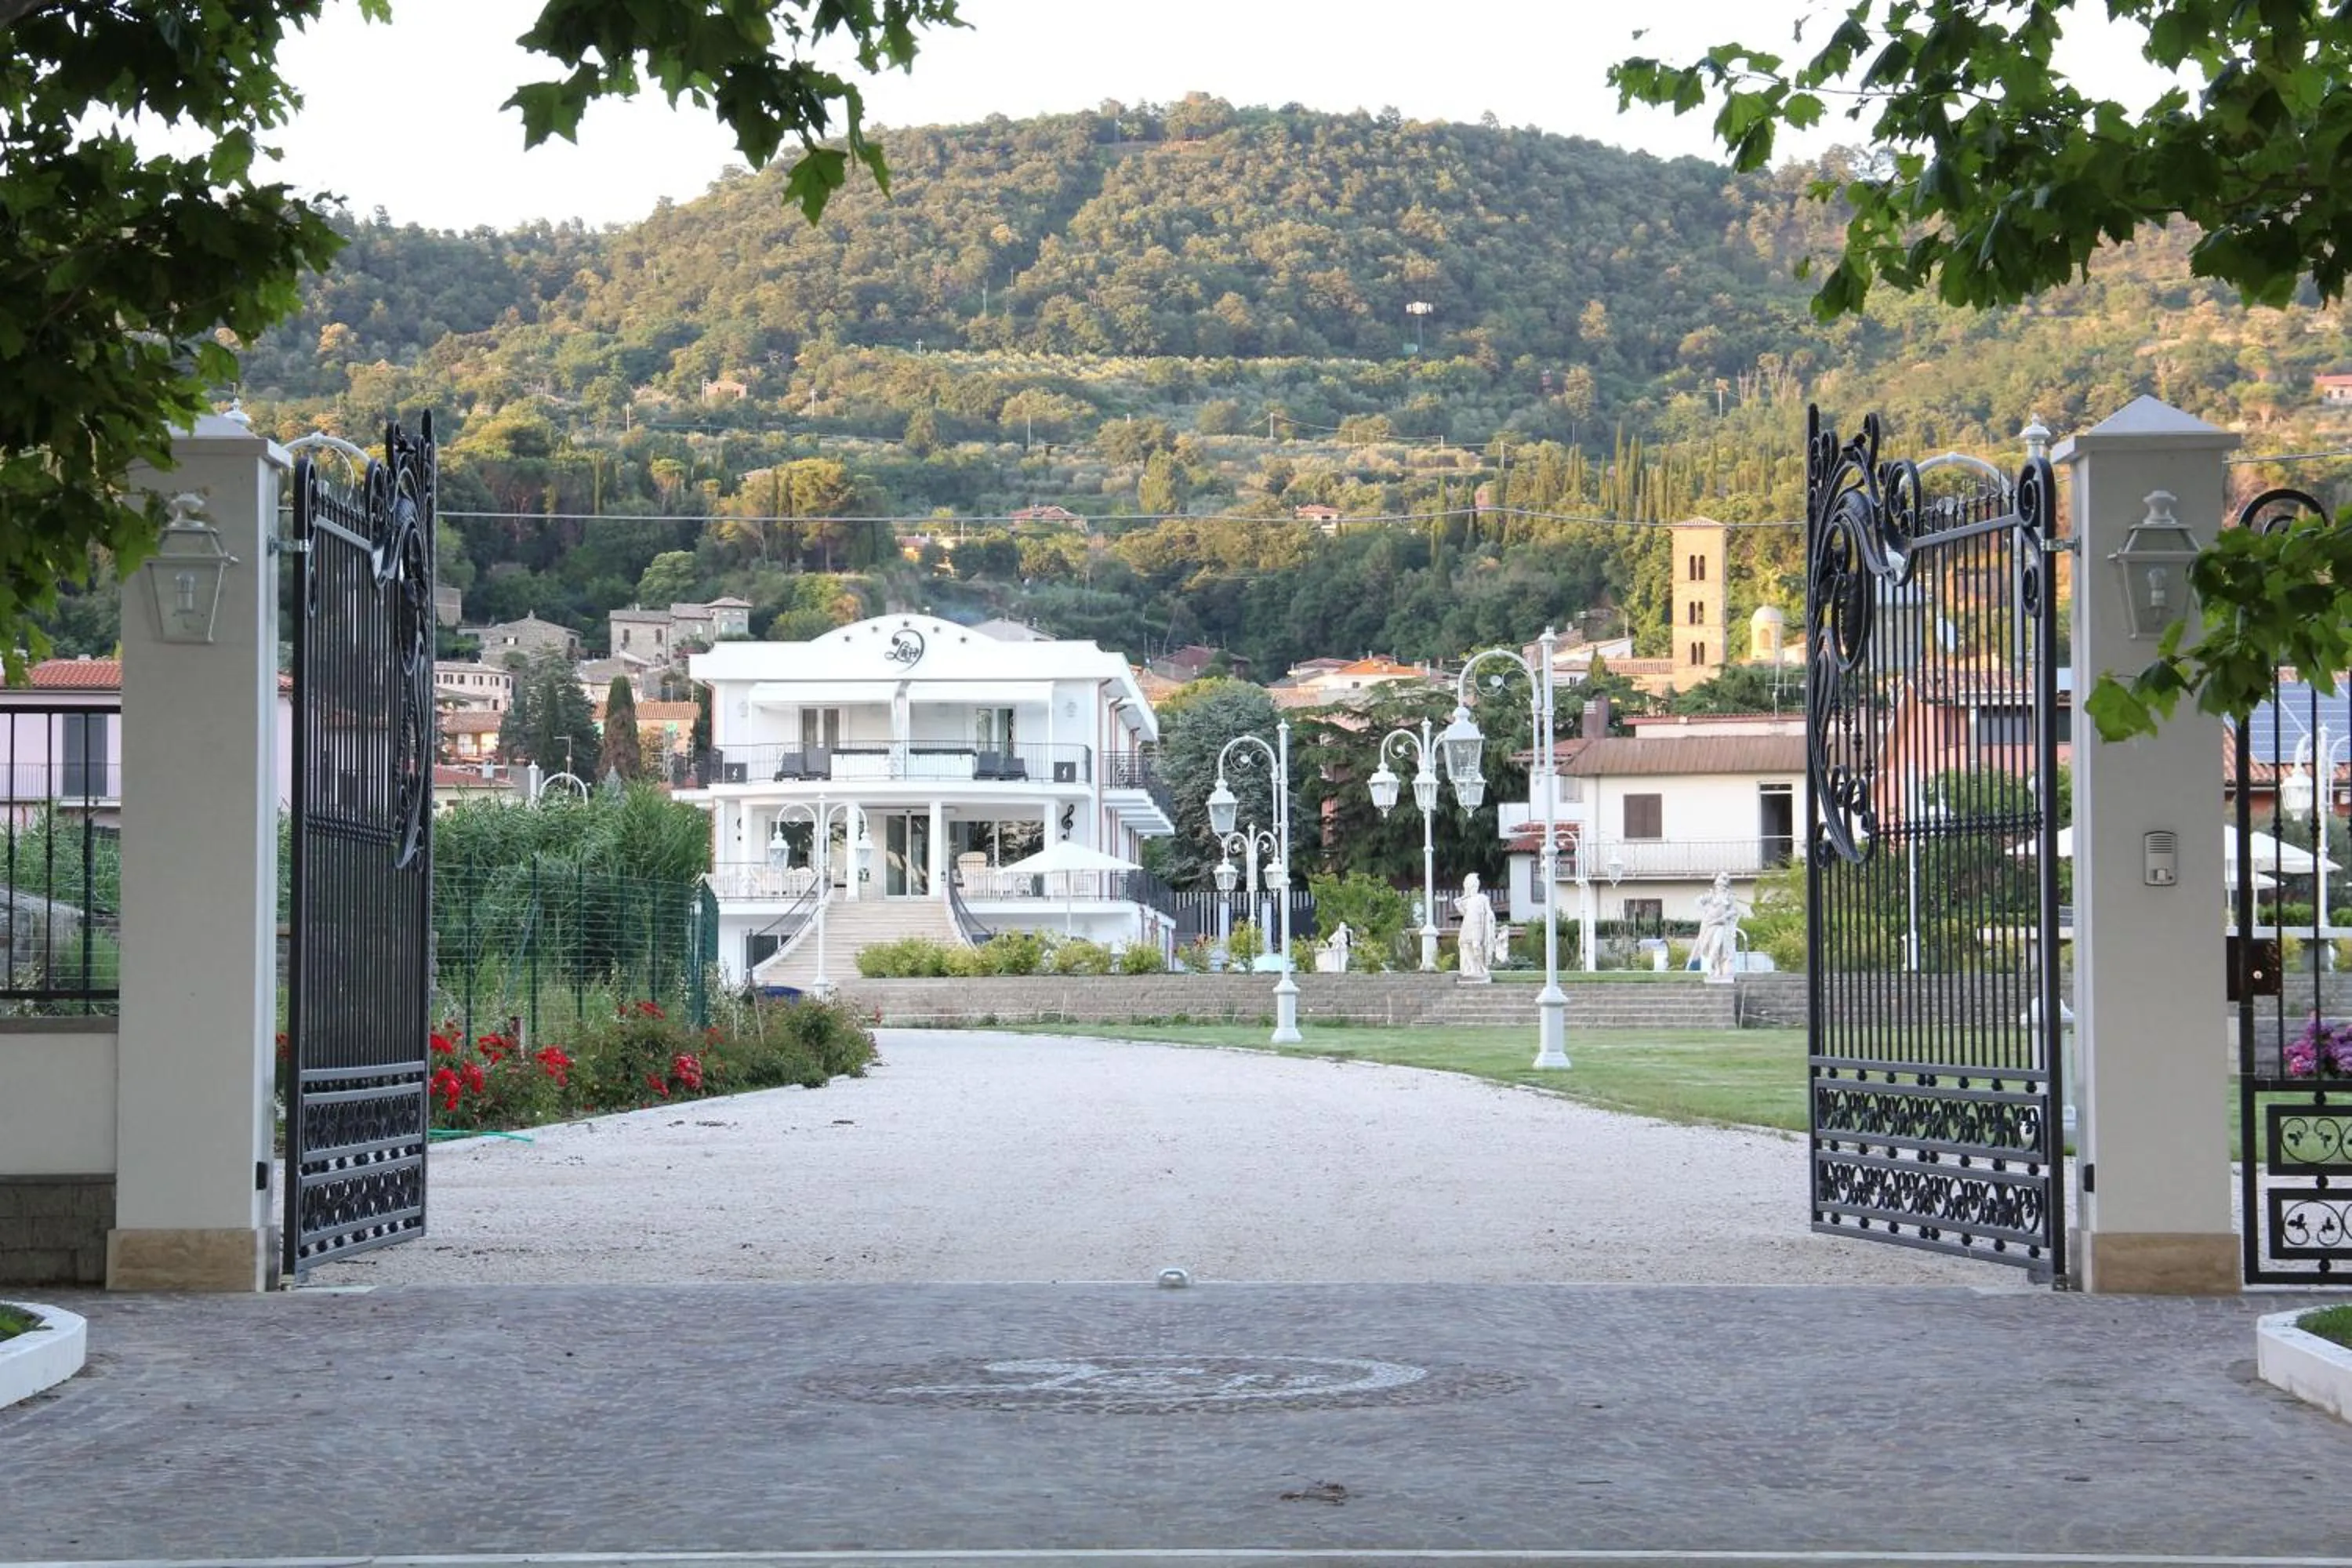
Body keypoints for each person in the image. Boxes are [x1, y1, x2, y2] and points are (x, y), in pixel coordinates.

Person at [1690, 869, 1742, 982]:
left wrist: (1724, 917)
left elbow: (1734, 911)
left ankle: (1719, 969)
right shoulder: (1711, 896)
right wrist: (1706, 909)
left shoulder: (1730, 897)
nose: (1721, 887)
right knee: (1711, 948)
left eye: (1723, 885)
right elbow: (1697, 902)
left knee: (1718, 946)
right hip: (1709, 925)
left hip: (1721, 925)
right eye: (1719, 885)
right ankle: (1715, 968)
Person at [1454, 873, 1497, 982]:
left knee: (1476, 946)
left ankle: (1482, 967)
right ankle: (1473, 968)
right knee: (1465, 944)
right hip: (1467, 924)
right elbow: (1464, 913)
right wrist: (1459, 902)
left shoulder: (1482, 898)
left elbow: (1488, 910)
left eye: (1475, 885)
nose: (1474, 888)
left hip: (1478, 925)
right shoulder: (1466, 900)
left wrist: (1491, 915)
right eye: (1471, 886)